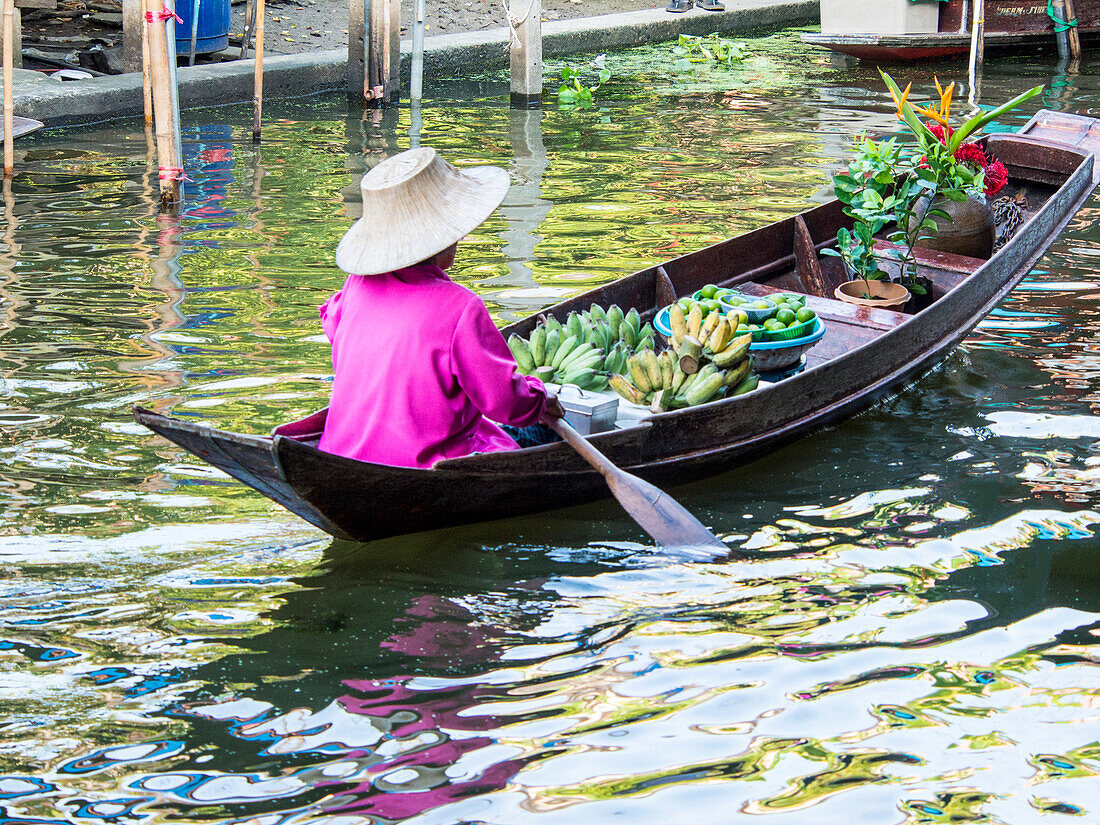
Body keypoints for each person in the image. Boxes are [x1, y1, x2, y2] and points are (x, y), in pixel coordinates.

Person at [317, 147, 564, 469]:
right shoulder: (460, 307)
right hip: (426, 463)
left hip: (340, 451)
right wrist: (539, 397)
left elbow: (334, 324)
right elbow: (506, 403)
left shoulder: (355, 286)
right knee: (543, 433)